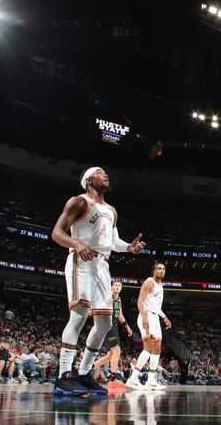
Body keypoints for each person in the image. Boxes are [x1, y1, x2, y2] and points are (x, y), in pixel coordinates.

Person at [51, 166, 145, 395]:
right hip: (81, 260)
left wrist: (129, 247)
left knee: (104, 323)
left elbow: (113, 242)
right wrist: (77, 243)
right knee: (80, 314)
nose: (105, 175)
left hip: (102, 265)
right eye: (99, 172)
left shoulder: (111, 210)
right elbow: (56, 233)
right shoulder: (79, 202)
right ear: (87, 181)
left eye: (106, 173)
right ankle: (64, 375)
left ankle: (84, 374)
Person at [126, 262, 171, 390]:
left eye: (163, 269)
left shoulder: (160, 286)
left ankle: (151, 380)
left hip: (155, 317)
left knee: (157, 349)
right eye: (159, 268)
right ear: (154, 271)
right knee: (148, 348)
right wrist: (144, 316)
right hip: (147, 316)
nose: (161, 271)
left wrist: (164, 317)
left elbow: (156, 306)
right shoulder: (149, 282)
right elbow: (140, 300)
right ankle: (133, 378)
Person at [93, 280, 133, 389]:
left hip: (114, 326)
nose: (118, 287)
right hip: (107, 325)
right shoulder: (108, 297)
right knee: (116, 351)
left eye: (119, 285)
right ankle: (113, 379)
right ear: (112, 287)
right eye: (115, 285)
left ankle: (94, 365)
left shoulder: (118, 299)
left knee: (111, 355)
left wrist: (126, 326)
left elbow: (119, 314)